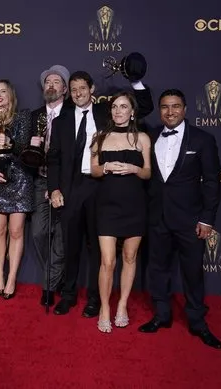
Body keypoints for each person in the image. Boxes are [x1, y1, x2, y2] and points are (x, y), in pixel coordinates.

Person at [47, 71, 153, 317]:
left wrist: (136, 80)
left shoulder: (107, 111)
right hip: (72, 188)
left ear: (92, 88)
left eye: (83, 88)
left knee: (99, 248)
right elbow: (53, 159)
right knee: (70, 245)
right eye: (73, 89)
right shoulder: (61, 120)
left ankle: (95, 299)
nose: (78, 93)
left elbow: (142, 107)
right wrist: (54, 189)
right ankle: (69, 295)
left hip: (101, 187)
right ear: (68, 92)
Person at [138, 89, 221, 349]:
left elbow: (211, 182)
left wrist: (207, 219)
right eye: (165, 107)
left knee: (192, 272)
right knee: (158, 270)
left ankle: (197, 321)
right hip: (157, 218)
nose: (170, 112)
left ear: (185, 109)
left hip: (190, 219)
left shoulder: (202, 139)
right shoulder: (150, 137)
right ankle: (161, 315)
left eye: (175, 107)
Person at [89, 91, 151, 333]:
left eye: (123, 107)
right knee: (107, 261)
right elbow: (93, 170)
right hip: (106, 206)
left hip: (135, 205)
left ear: (132, 111)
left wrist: (134, 168)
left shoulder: (143, 138)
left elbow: (148, 173)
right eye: (114, 106)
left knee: (130, 257)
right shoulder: (100, 137)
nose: (118, 111)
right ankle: (105, 307)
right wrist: (105, 167)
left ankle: (122, 305)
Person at [0, 79, 32, 299]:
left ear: (10, 96)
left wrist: (9, 141)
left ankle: (11, 279)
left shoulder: (23, 117)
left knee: (16, 231)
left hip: (19, 180)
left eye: (3, 91)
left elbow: (26, 149)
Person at [29, 65, 69, 307]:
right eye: (48, 82)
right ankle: (55, 277)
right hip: (39, 179)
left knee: (62, 237)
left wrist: (58, 185)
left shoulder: (73, 115)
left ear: (64, 89)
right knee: (39, 232)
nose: (51, 85)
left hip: (65, 183)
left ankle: (49, 286)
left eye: (56, 82)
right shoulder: (34, 116)